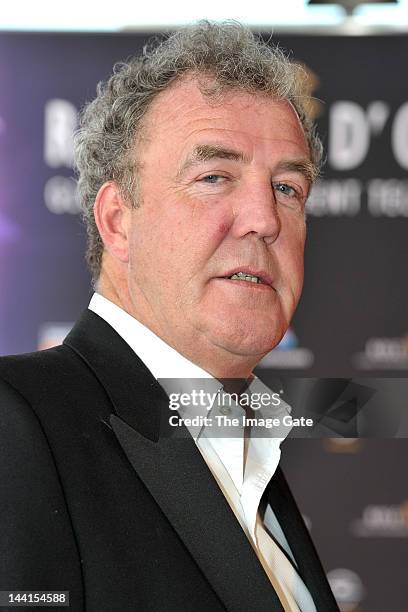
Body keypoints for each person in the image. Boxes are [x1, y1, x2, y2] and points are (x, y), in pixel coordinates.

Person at [0, 21, 339, 611]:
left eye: (288, 188)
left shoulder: (250, 453)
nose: (265, 218)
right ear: (117, 221)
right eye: (214, 177)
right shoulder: (15, 424)